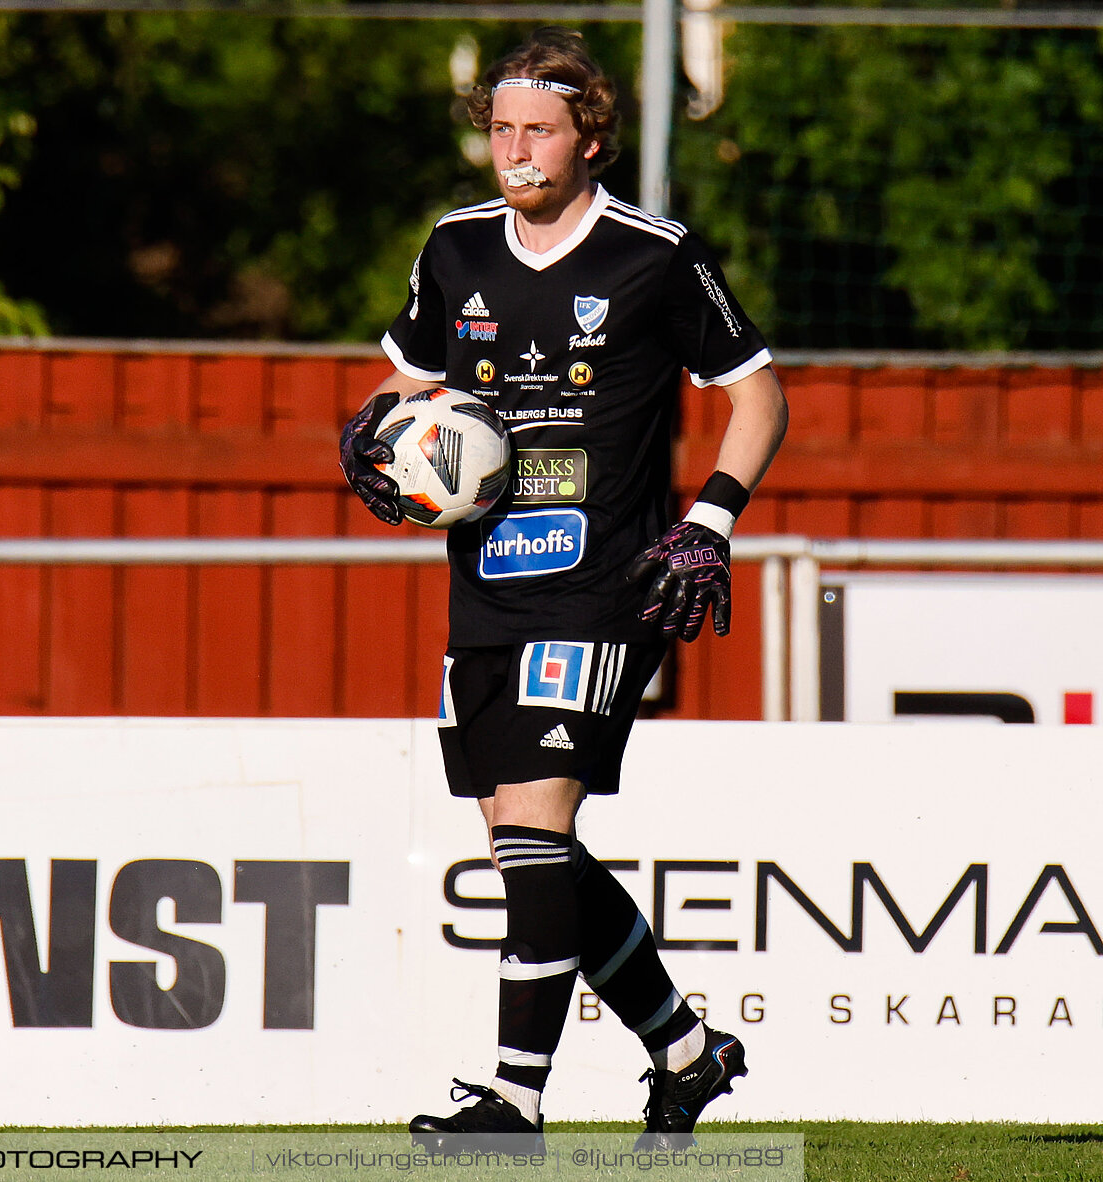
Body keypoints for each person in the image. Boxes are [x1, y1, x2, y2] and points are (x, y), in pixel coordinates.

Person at [337, 27, 788, 1150]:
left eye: (538, 127)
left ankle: (513, 1102)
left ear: (591, 136)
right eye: (500, 127)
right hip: (485, 587)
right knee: (524, 846)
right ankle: (687, 1051)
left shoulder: (654, 254)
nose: (514, 149)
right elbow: (404, 391)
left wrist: (708, 526)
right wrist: (378, 446)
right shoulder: (453, 249)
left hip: (607, 586)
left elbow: (761, 397)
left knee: (535, 830)